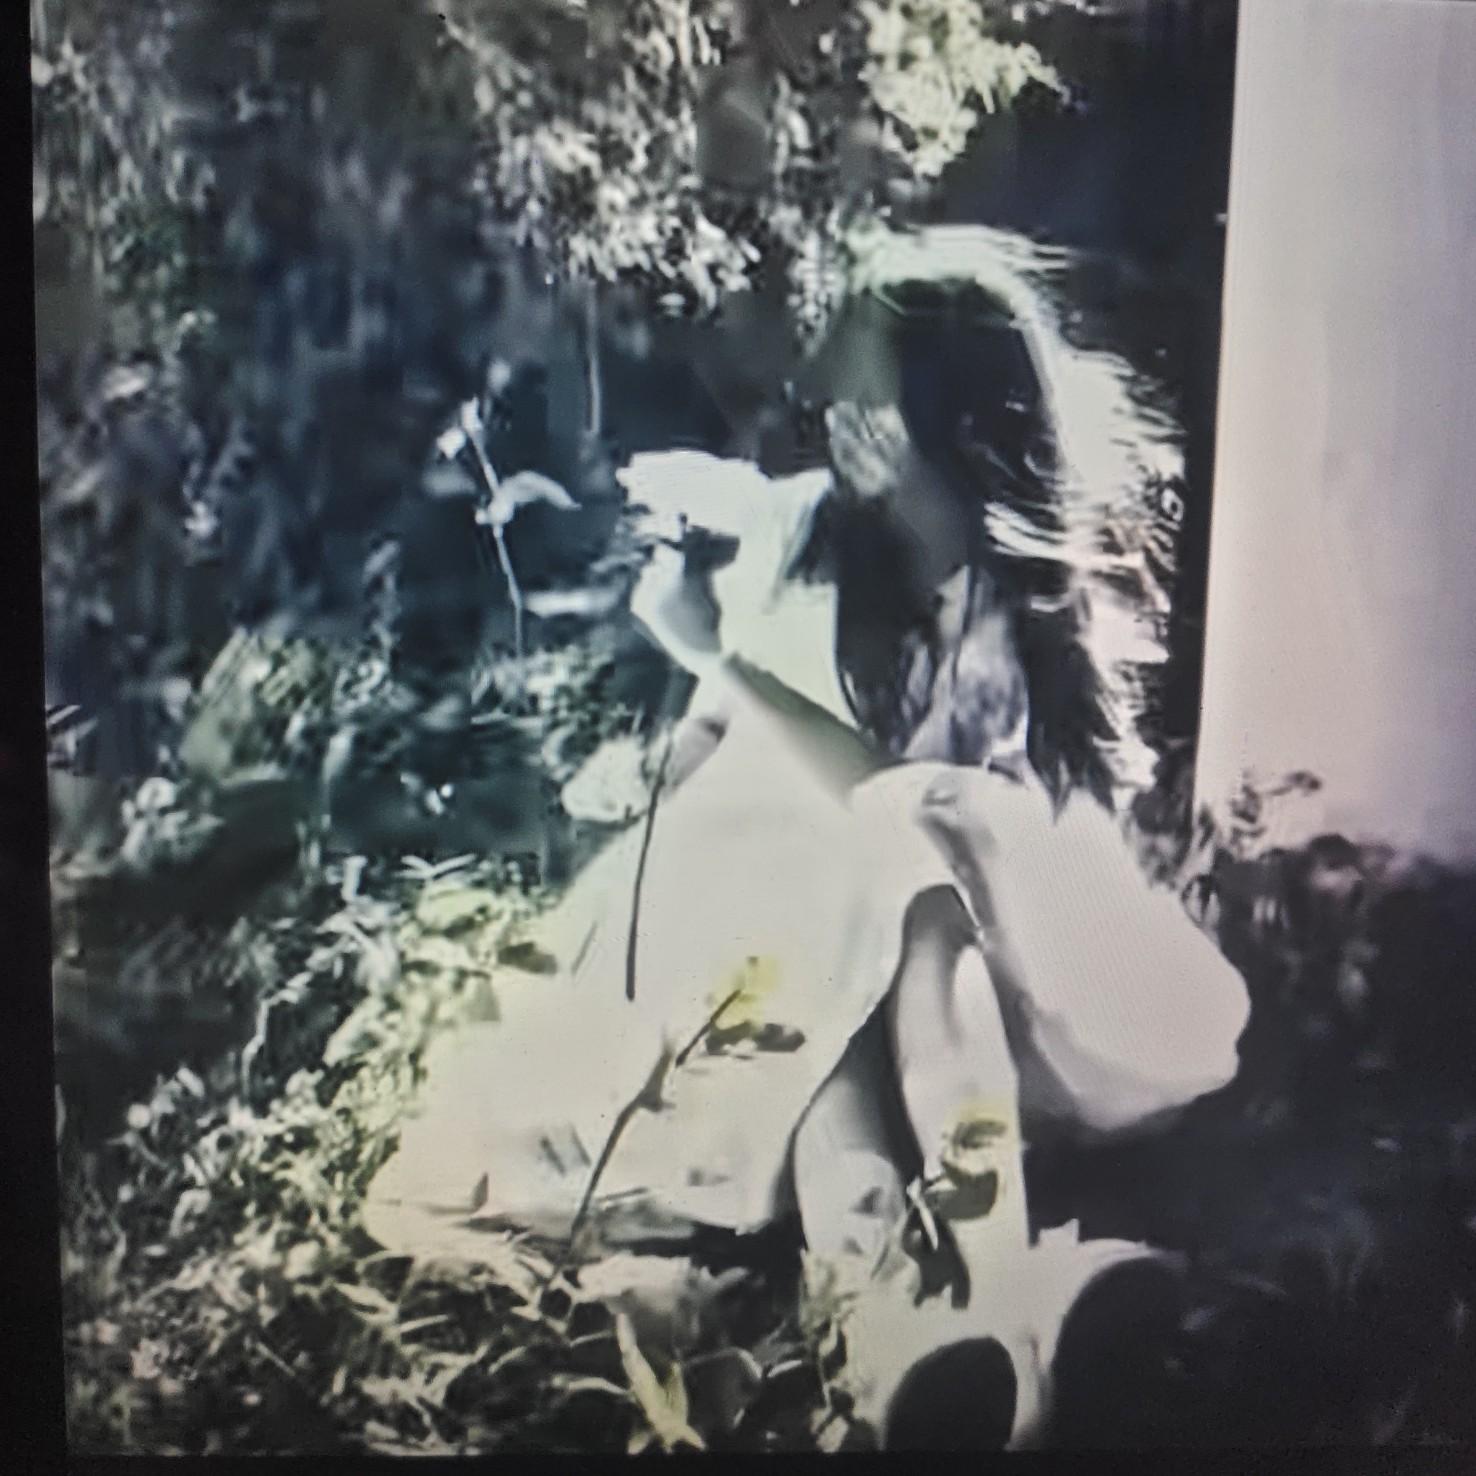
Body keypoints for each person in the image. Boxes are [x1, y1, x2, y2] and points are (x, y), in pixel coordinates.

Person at [363, 225, 1250, 1447]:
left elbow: (906, 800)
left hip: (968, 950)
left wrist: (713, 656)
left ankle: (993, 1285)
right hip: (776, 922)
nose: (836, 418)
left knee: (903, 880)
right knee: (831, 915)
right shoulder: (802, 537)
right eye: (838, 392)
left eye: (869, 396)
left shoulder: (1016, 607)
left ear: (952, 422)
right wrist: (649, 770)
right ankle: (886, 1318)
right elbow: (721, 741)